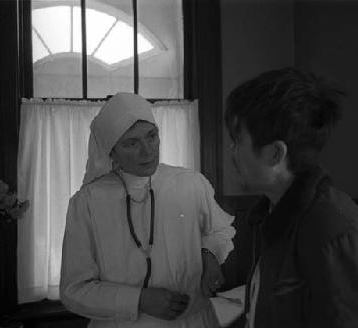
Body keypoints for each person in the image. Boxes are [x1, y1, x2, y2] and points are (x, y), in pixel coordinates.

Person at [224, 67, 358, 328]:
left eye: (237, 140)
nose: (231, 151)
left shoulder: (334, 235)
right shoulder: (277, 218)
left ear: (274, 154)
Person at [60, 92, 236, 327]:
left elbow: (219, 231)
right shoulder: (88, 202)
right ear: (111, 151)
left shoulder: (190, 183)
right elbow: (74, 290)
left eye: (151, 136)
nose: (148, 151)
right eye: (131, 143)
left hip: (195, 320)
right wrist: (138, 300)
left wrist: (209, 256)